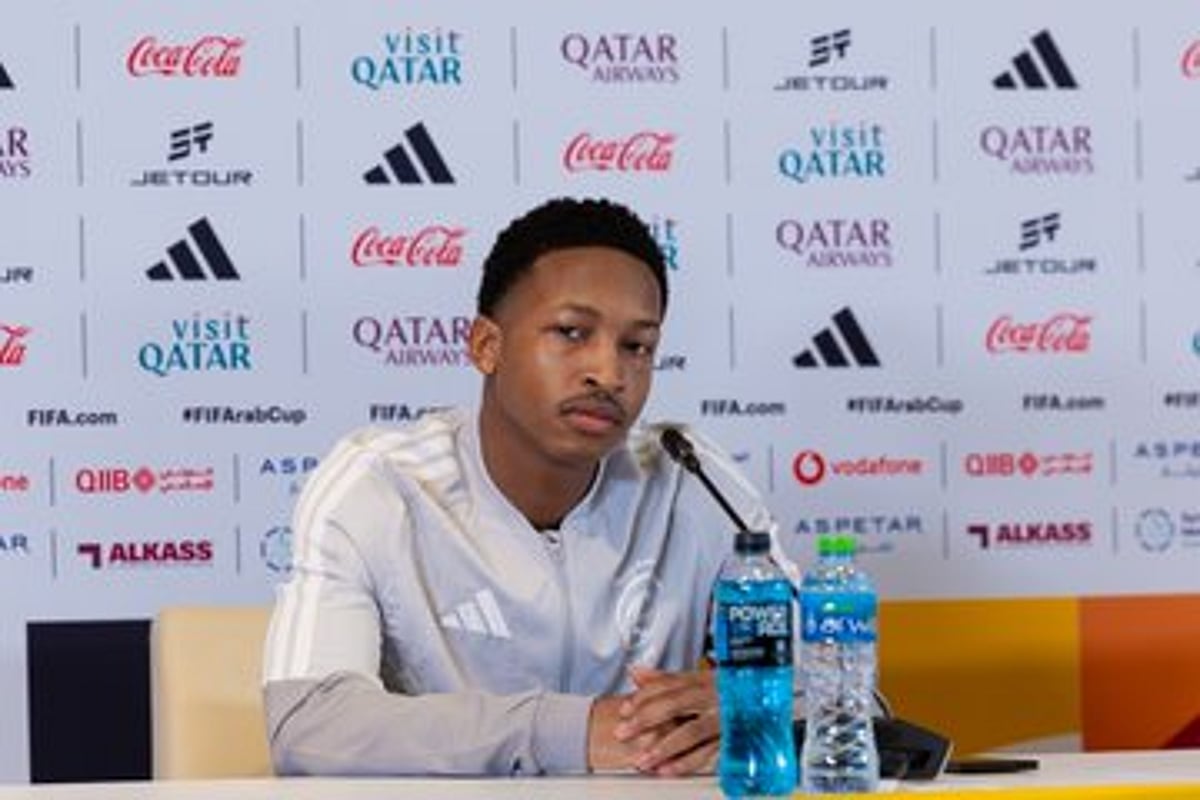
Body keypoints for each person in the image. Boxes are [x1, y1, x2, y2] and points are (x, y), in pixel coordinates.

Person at [262, 197, 789, 777]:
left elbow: (839, 678)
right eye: (571, 332)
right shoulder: (380, 485)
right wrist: (572, 731)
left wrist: (762, 701)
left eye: (636, 346)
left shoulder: (690, 478)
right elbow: (308, 723)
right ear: (486, 346)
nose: (609, 374)